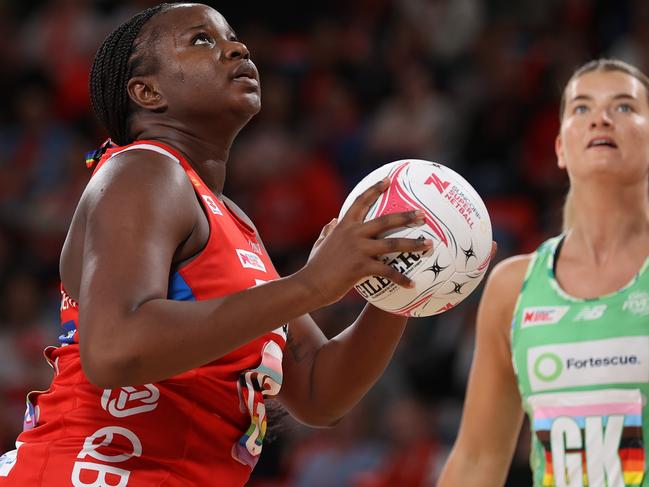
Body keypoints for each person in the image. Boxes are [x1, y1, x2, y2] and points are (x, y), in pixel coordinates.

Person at [0, 3, 435, 486]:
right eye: (202, 40)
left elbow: (318, 391)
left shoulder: (232, 218)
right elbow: (115, 348)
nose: (237, 48)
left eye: (232, 36)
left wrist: (402, 287)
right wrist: (311, 285)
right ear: (148, 92)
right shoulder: (141, 170)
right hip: (89, 471)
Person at [438, 58, 649, 487]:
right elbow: (477, 459)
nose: (601, 118)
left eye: (624, 106)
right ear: (558, 148)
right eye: (581, 108)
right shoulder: (512, 287)